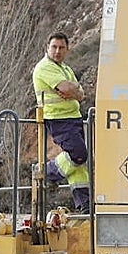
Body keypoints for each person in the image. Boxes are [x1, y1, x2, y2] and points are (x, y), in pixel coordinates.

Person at [33, 32, 89, 212]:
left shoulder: (65, 69)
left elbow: (81, 94)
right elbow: (66, 88)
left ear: (67, 49)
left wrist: (73, 89)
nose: (57, 51)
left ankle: (84, 204)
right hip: (58, 119)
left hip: (73, 117)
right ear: (47, 48)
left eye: (61, 48)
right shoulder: (45, 67)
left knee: (79, 163)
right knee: (78, 153)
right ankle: (47, 172)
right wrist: (71, 89)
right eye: (54, 47)